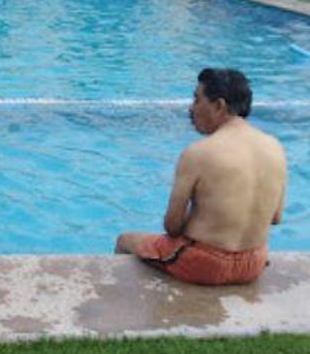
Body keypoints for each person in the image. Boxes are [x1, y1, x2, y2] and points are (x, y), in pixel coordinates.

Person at [115, 68, 287, 285]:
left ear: (219, 105)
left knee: (125, 240)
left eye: (197, 100)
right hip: (254, 263)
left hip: (204, 264)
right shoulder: (275, 147)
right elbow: (276, 218)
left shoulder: (198, 153)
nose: (191, 108)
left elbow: (172, 226)